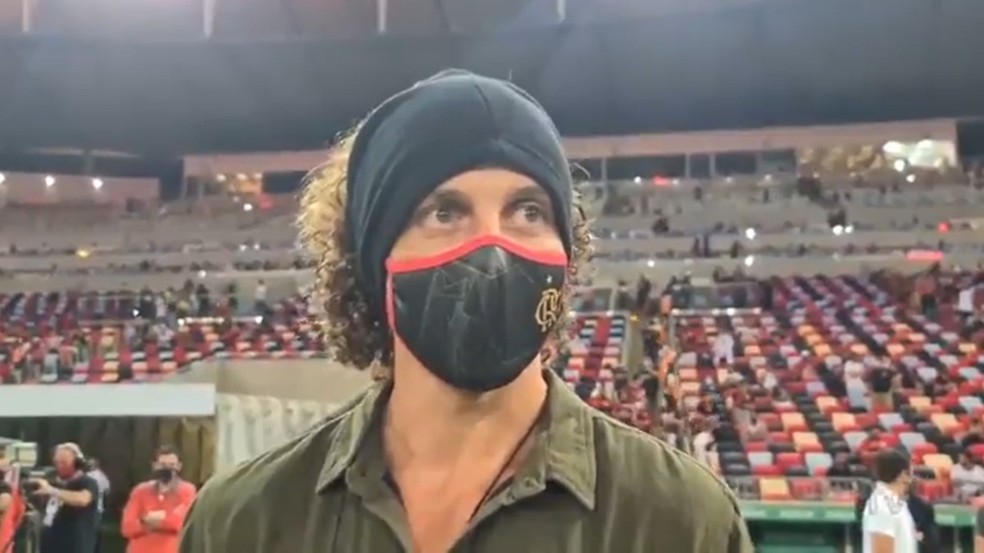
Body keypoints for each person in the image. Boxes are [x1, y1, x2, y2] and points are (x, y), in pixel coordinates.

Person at [180, 70, 751, 553]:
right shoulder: (243, 523)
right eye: (443, 211)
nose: (493, 249)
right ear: (374, 261)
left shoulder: (683, 523)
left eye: (527, 210)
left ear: (567, 253)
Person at [122, 446, 196, 553]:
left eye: (172, 465)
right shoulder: (139, 490)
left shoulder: (188, 491)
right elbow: (127, 528)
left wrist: (147, 522)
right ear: (154, 466)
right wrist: (148, 520)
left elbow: (180, 524)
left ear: (179, 466)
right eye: (162, 465)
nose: (167, 469)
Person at [32, 443, 100, 553]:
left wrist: (52, 491)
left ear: (77, 463)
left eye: (64, 462)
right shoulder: (53, 481)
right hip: (51, 544)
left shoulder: (87, 482)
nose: (59, 466)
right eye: (56, 462)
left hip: (75, 545)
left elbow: (83, 499)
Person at [861, 449, 917, 553]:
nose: (913, 478)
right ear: (903, 474)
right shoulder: (882, 505)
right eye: (911, 471)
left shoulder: (895, 503)